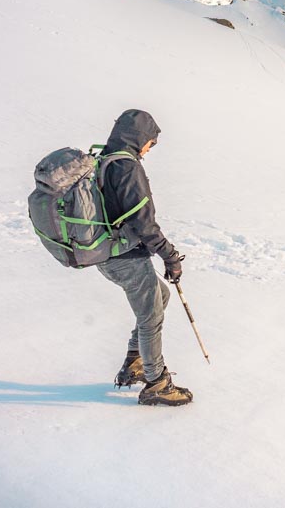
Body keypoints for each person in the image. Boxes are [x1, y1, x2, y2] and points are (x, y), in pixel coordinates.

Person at [97, 109, 193, 406]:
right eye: (150, 143)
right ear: (139, 137)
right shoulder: (126, 167)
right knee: (151, 316)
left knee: (159, 297)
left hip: (107, 253)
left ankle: (133, 362)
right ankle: (157, 383)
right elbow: (144, 222)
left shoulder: (105, 161)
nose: (149, 149)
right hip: (124, 256)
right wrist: (170, 256)